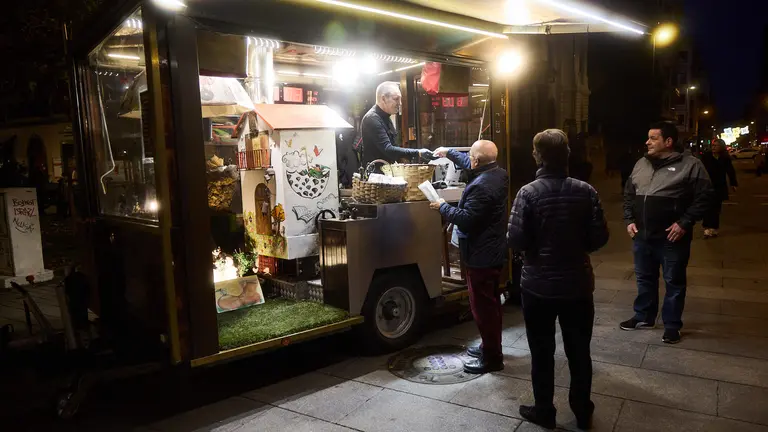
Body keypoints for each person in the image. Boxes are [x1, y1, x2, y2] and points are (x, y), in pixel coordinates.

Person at [507, 129, 609, 430]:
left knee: (541, 352)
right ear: (567, 155)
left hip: (538, 285)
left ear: (538, 156)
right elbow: (599, 236)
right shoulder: (586, 191)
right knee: (579, 351)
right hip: (577, 284)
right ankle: (581, 411)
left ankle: (544, 411)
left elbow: (515, 238)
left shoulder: (527, 192)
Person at [621, 122, 713, 344]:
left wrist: (685, 223)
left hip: (672, 238)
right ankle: (644, 316)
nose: (647, 142)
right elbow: (629, 194)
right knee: (644, 279)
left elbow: (706, 196)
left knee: (674, 281)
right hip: (642, 236)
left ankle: (672, 325)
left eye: (653, 138)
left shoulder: (691, 165)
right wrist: (629, 220)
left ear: (668, 141)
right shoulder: (641, 164)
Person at [430, 140, 509, 374]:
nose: (470, 161)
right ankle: (489, 346)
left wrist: (442, 206)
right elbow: (471, 163)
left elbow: (467, 219)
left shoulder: (481, 186)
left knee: (484, 308)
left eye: (471, 157)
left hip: (481, 255)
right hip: (492, 250)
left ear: (476, 160)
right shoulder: (498, 173)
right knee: (490, 303)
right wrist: (449, 152)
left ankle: (493, 357)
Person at [360, 81, 431, 170]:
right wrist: (418, 152)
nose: (400, 103)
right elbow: (388, 149)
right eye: (396, 99)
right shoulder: (371, 118)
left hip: (387, 173)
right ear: (383, 98)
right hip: (375, 176)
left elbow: (393, 146)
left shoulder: (386, 117)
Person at [701, 139, 737, 238]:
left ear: (721, 147)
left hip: (719, 186)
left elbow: (730, 171)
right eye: (713, 145)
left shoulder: (725, 158)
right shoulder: (706, 157)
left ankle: (714, 228)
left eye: (716, 145)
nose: (714, 147)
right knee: (707, 207)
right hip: (707, 185)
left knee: (716, 208)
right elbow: (700, 169)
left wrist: (733, 183)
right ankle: (707, 228)